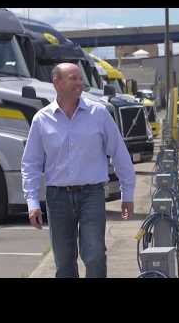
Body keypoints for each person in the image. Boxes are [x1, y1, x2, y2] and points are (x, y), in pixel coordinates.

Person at [21, 62, 135, 278]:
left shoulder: (98, 114)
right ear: (57, 82)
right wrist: (32, 202)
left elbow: (120, 153)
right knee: (64, 261)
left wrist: (127, 195)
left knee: (95, 255)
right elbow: (31, 163)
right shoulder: (41, 119)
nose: (79, 83)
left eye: (80, 78)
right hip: (57, 197)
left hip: (92, 194)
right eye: (73, 78)